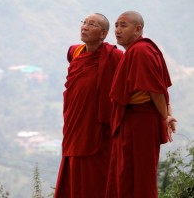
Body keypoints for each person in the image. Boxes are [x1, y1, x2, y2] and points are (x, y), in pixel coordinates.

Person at [105, 11, 177, 198]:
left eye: (123, 25)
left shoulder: (141, 51)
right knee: (128, 173)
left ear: (138, 29)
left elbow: (155, 91)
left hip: (140, 123)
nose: (117, 30)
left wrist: (165, 117)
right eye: (116, 25)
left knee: (138, 175)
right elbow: (161, 87)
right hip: (135, 120)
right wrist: (167, 112)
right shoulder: (139, 50)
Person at [54, 13, 123, 198]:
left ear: (103, 33)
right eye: (84, 22)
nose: (84, 27)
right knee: (73, 163)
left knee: (97, 175)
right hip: (75, 122)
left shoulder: (114, 56)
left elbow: (128, 83)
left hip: (99, 127)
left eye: (91, 24)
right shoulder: (75, 52)